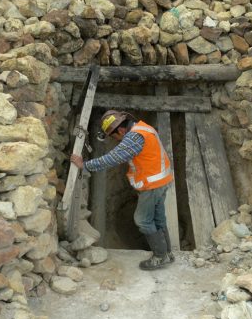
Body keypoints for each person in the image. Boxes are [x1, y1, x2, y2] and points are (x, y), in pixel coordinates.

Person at [70, 110, 175, 270]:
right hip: (161, 181)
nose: (116, 140)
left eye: (113, 136)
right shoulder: (144, 128)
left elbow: (112, 158)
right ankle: (167, 253)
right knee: (158, 218)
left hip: (151, 186)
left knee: (143, 220)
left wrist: (84, 165)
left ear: (120, 130)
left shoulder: (134, 137)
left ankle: (160, 257)